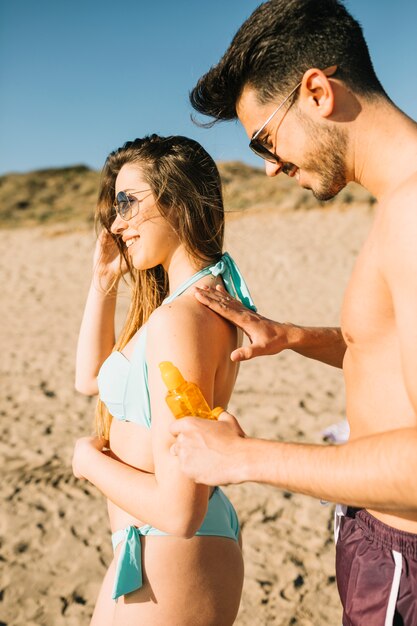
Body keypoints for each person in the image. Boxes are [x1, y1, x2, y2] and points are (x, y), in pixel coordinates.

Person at [169, 1, 417, 624]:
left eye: (264, 138)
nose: (270, 164)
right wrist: (294, 337)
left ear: (316, 92)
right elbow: (384, 350)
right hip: (380, 542)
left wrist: (242, 459)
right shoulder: (397, 204)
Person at [72, 134, 257, 625]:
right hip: (150, 550)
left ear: (179, 199)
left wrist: (89, 462)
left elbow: (180, 511)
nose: (116, 223)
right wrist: (104, 282)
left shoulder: (184, 317)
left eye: (128, 203)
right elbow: (90, 378)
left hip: (171, 548)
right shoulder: (182, 306)